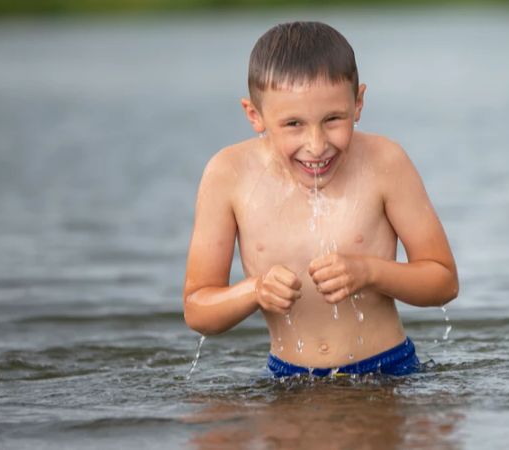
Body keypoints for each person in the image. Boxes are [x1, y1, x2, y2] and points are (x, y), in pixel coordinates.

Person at [182, 21, 458, 378]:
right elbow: (197, 309)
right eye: (293, 124)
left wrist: (369, 271)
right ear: (255, 115)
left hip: (388, 371)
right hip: (287, 378)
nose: (316, 144)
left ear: (358, 103)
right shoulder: (228, 174)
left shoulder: (385, 162)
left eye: (333, 119)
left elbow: (443, 281)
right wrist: (255, 291)